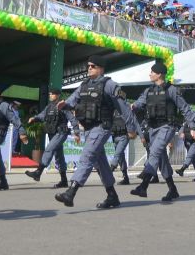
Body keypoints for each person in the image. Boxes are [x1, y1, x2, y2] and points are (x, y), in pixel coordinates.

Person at [53, 55, 136, 208]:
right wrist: (65, 104)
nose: (89, 68)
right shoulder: (84, 85)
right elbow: (72, 99)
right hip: (88, 129)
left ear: (101, 68)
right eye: (88, 66)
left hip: (102, 127)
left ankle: (71, 192)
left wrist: (131, 128)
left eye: (93, 66)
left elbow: (124, 109)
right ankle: (112, 196)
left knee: (88, 155)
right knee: (100, 163)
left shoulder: (110, 85)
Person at [130, 61, 195, 202]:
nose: (150, 74)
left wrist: (193, 127)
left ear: (159, 74)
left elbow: (185, 109)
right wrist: (131, 106)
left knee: (155, 151)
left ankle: (144, 185)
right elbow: (138, 104)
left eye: (152, 72)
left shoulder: (171, 90)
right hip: (153, 128)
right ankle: (173, 190)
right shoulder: (148, 91)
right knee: (160, 158)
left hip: (167, 126)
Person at [24, 88, 80, 189]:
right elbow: (42, 115)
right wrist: (34, 118)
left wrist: (76, 132)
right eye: (50, 94)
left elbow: (72, 119)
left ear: (58, 95)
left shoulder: (63, 106)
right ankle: (64, 181)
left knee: (49, 149)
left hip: (61, 132)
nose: (50, 95)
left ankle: (38, 172)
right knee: (59, 156)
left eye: (52, 94)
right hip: (52, 133)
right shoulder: (49, 106)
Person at [109, 92, 135, 185]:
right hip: (115, 135)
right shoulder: (112, 108)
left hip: (124, 135)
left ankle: (109, 172)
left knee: (118, 153)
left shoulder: (126, 107)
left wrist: (133, 132)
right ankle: (126, 177)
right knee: (120, 157)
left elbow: (132, 120)